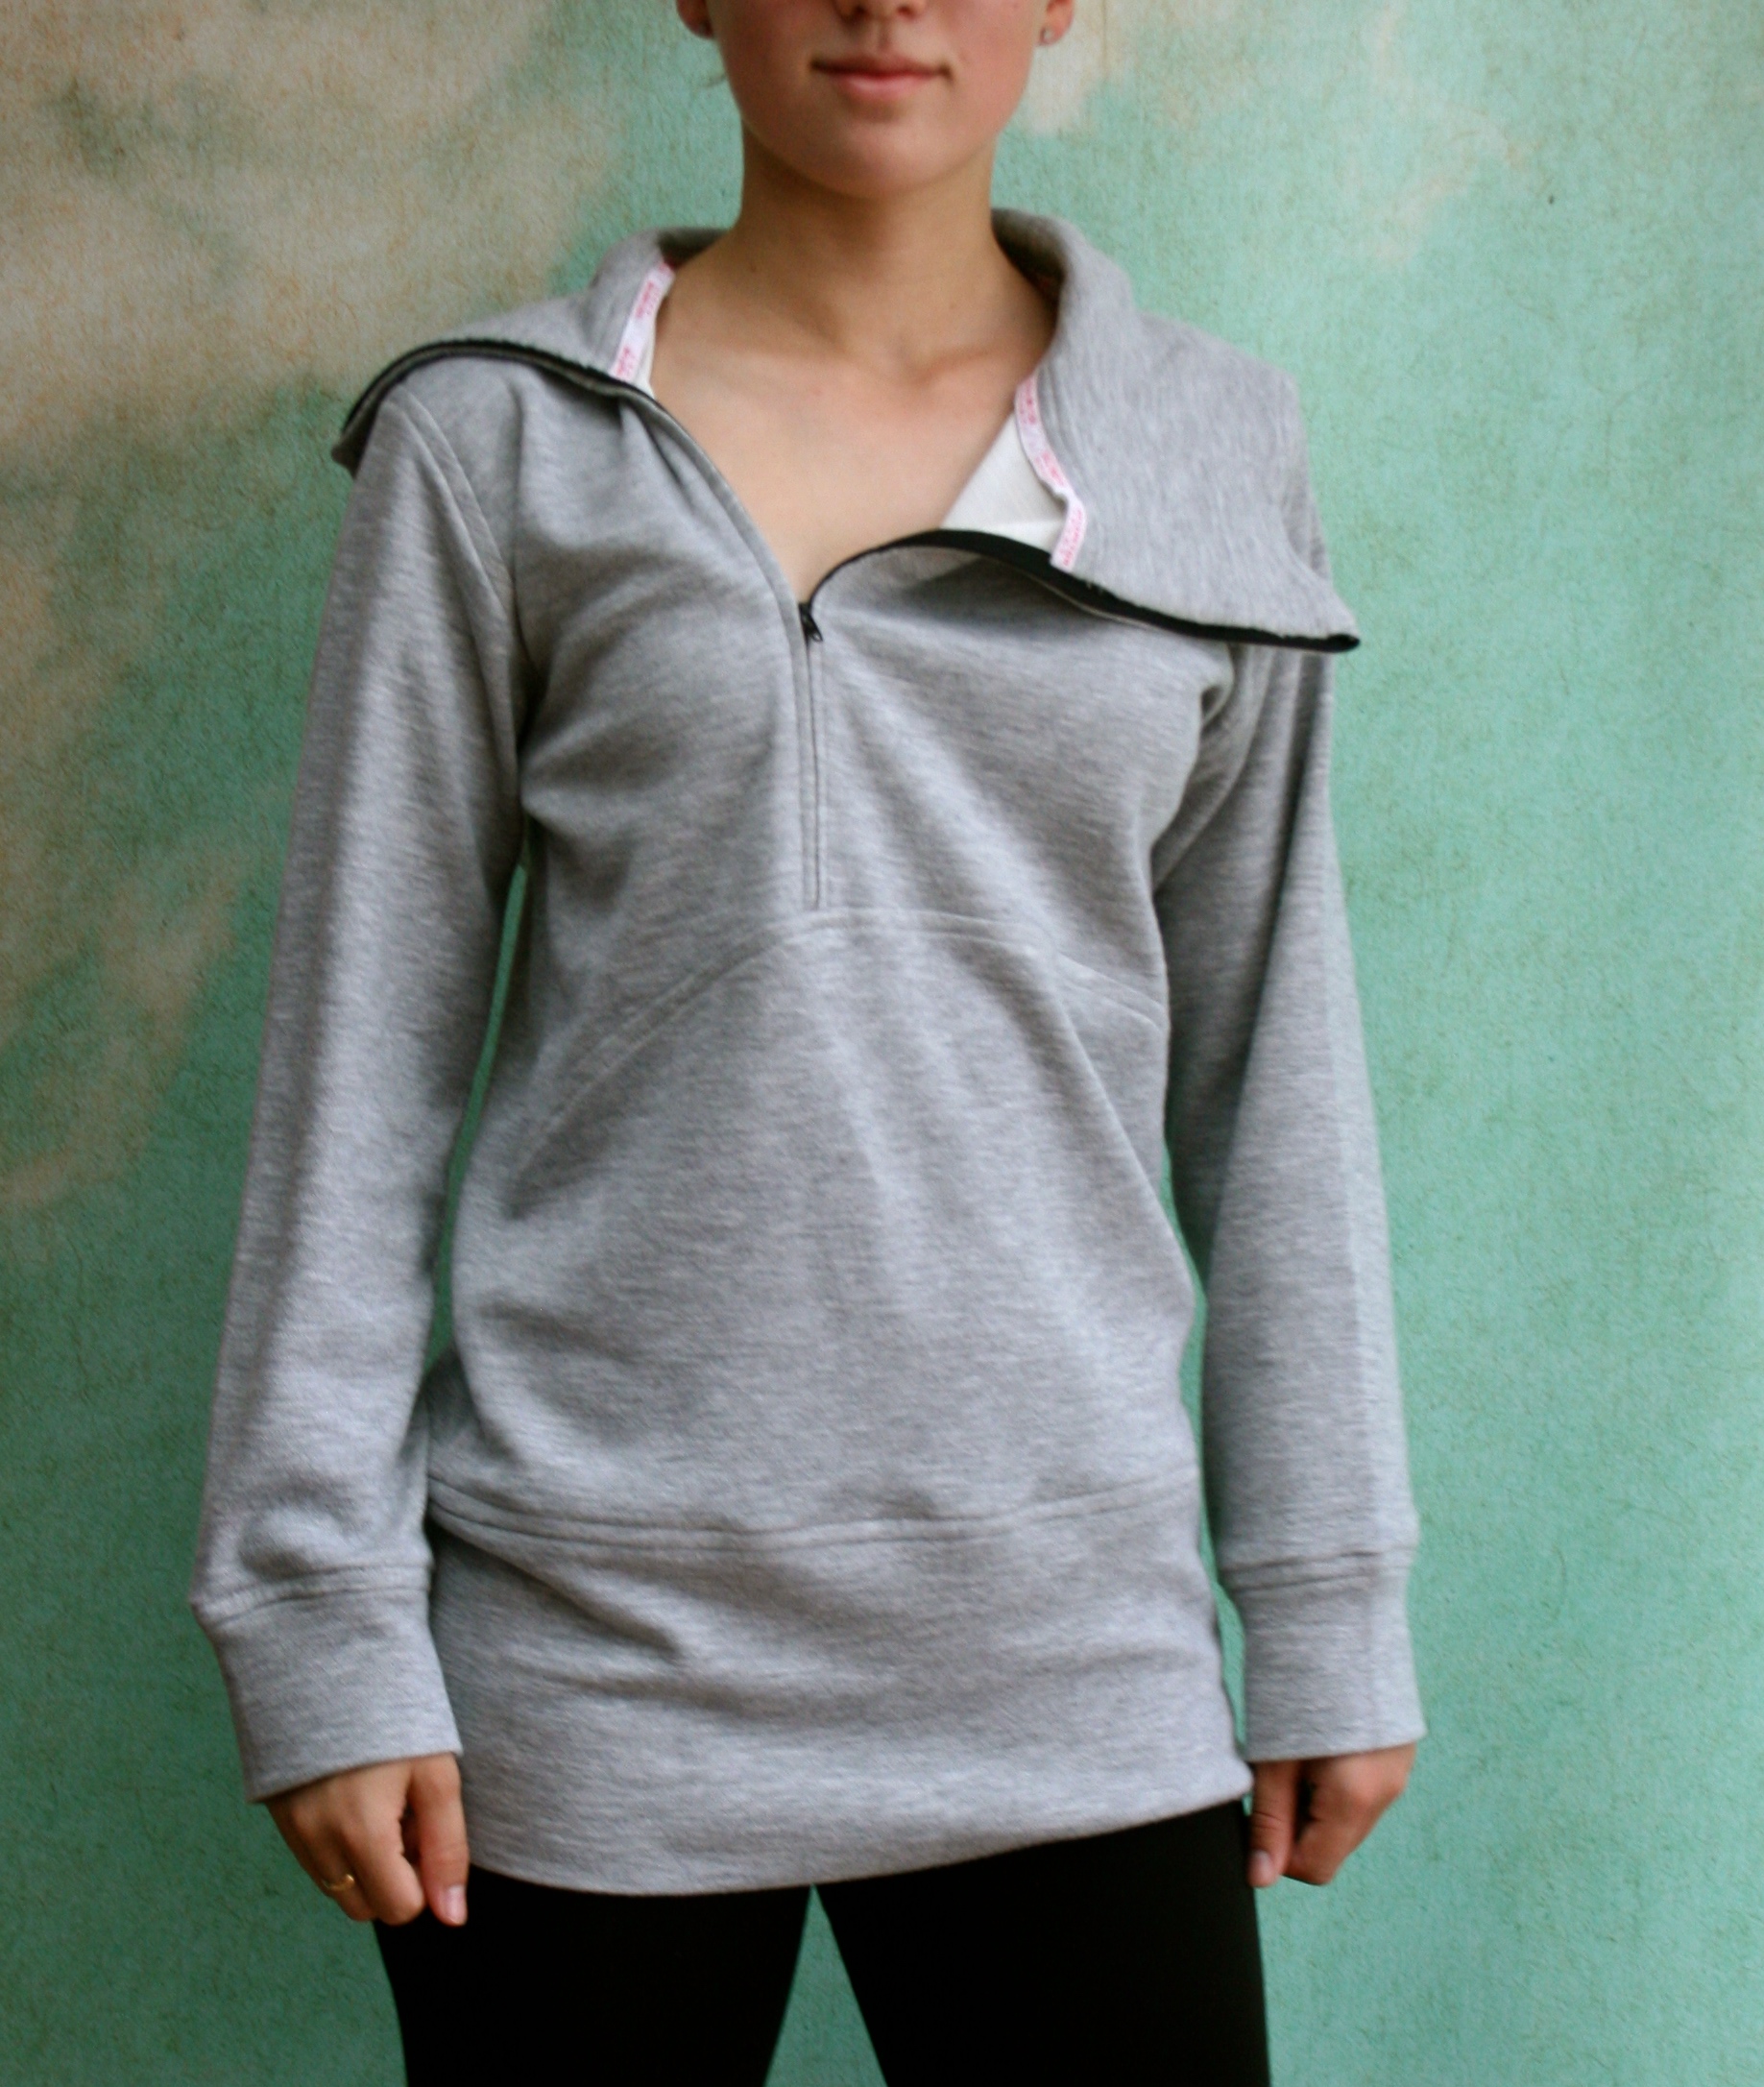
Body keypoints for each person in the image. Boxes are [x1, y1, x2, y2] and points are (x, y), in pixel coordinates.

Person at [192, 2, 1425, 2079]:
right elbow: (356, 1068)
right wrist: (314, 1615)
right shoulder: (491, 438)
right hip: (589, 1665)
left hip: (1072, 1661)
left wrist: (1325, 1591)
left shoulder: (1209, 439)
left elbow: (1273, 1065)